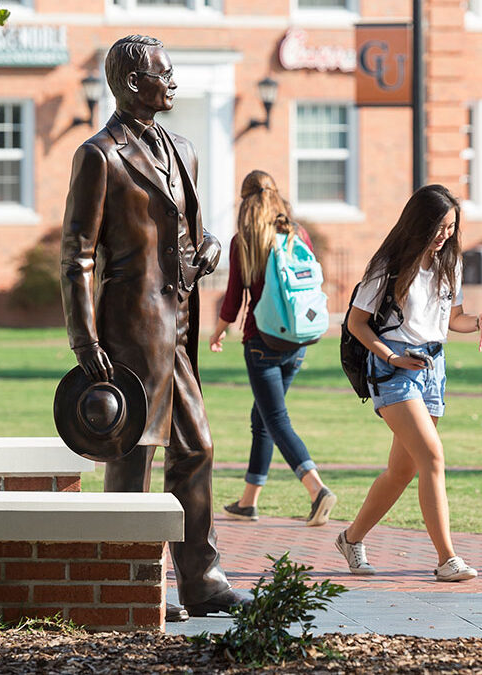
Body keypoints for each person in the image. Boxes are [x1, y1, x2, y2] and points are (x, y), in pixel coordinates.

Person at [59, 34, 249, 620]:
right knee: (132, 455)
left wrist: (209, 248)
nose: (173, 83)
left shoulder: (184, 149)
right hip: (125, 333)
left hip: (179, 333)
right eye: (163, 74)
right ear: (131, 83)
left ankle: (200, 579)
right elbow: (77, 255)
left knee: (197, 448)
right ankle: (126, 580)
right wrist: (84, 338)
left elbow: (192, 232)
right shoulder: (100, 155)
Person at [335, 184, 482, 583]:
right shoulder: (388, 265)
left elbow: (450, 318)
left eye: (451, 228)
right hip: (393, 369)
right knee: (433, 458)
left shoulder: (449, 262)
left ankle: (351, 539)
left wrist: (478, 321)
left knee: (401, 471)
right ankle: (447, 559)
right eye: (439, 227)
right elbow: (356, 323)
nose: (444, 236)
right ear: (419, 223)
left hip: (433, 370)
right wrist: (390, 357)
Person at [209, 170, 337, 526]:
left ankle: (316, 489)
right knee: (262, 418)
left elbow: (234, 298)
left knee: (276, 419)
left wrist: (218, 331)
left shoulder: (245, 240)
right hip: (298, 339)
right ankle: (248, 502)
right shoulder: (298, 234)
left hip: (262, 340)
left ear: (245, 200)